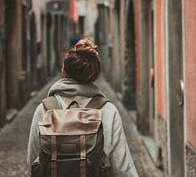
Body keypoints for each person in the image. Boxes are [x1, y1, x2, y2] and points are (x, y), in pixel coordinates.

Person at [27, 38, 139, 177]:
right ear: (94, 75)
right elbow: (123, 168)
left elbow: (33, 160)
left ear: (65, 72)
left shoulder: (44, 110)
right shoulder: (108, 111)